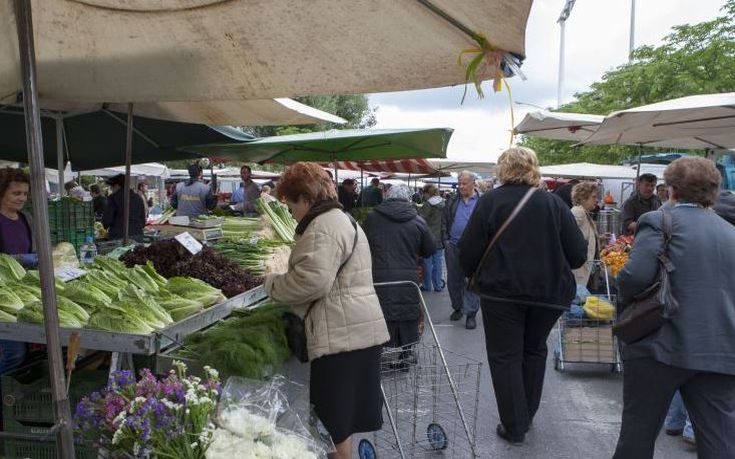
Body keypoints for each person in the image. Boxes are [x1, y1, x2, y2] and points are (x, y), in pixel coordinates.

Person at [458, 147, 587, 445]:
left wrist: (473, 272)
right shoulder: (553, 204)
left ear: (502, 169)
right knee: (534, 351)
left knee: (505, 356)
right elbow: (578, 255)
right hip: (548, 295)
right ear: (534, 169)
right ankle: (525, 415)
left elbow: (468, 251)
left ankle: (515, 424)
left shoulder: (491, 202)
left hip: (502, 293)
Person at [263, 163, 389, 459]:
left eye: (292, 204)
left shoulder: (324, 226)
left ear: (305, 198)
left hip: (341, 341)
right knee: (343, 424)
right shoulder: (341, 219)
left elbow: (312, 282)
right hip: (357, 334)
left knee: (332, 428)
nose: (292, 212)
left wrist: (273, 285)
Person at [612, 157, 735, 459]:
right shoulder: (730, 232)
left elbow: (634, 278)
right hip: (719, 349)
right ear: (713, 191)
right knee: (720, 441)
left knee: (638, 435)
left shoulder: (659, 220)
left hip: (659, 344)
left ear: (672, 190)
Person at [363, 184, 435, 353]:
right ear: (408, 199)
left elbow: (361, 246)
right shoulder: (418, 220)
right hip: (408, 278)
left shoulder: (372, 218)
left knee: (380, 313)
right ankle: (406, 355)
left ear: (387, 197)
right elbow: (430, 249)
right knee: (408, 315)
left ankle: (378, 354)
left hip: (378, 277)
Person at [0, 168, 34, 375]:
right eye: (16, 193)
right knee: (13, 353)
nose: (22, 198)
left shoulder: (25, 218)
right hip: (3, 295)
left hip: (22, 289)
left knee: (23, 352)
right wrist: (20, 259)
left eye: (25, 193)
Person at [443, 170, 481, 329]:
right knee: (453, 280)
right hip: (452, 245)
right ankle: (457, 307)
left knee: (471, 280)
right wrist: (445, 239)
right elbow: (444, 220)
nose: (461, 186)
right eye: (459, 183)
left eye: (464, 183)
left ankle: (470, 314)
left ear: (473, 183)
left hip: (474, 247)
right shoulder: (452, 199)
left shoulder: (482, 200)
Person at [570, 182, 601, 288]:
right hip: (577, 272)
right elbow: (567, 234)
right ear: (583, 198)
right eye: (594, 197)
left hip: (584, 270)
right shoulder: (578, 212)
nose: (597, 200)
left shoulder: (585, 213)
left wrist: (599, 239)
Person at [418, 184, 446, 292]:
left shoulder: (428, 204)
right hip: (440, 236)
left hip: (428, 236)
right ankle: (438, 285)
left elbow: (421, 219)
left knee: (427, 262)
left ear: (427, 193)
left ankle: (426, 285)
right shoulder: (443, 203)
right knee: (438, 262)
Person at [102, 174, 146, 240]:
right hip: (137, 234)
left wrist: (104, 226)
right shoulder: (138, 197)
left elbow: (107, 219)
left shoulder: (113, 198)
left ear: (117, 186)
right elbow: (143, 220)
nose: (111, 189)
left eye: (111, 187)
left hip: (119, 236)